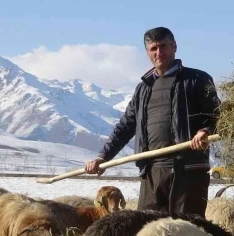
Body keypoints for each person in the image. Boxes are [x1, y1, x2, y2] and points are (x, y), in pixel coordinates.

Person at [84, 27, 220, 217]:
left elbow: (215, 113)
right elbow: (125, 126)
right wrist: (103, 157)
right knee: (148, 231)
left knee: (188, 231)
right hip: (152, 172)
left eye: (163, 46)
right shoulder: (143, 88)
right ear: (147, 52)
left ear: (174, 47)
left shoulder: (197, 79)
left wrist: (204, 130)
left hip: (188, 171)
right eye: (153, 48)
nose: (159, 53)